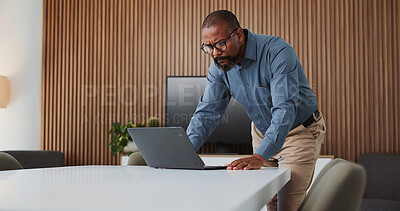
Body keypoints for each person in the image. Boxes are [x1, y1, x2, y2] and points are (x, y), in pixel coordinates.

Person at [186, 10, 326, 211]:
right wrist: (185, 150)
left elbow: (284, 109)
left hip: (298, 132)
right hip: (262, 133)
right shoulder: (219, 67)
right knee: (270, 202)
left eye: (220, 44)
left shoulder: (277, 52)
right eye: (208, 47)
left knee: (287, 206)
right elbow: (207, 112)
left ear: (239, 35)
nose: (215, 53)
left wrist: (259, 157)